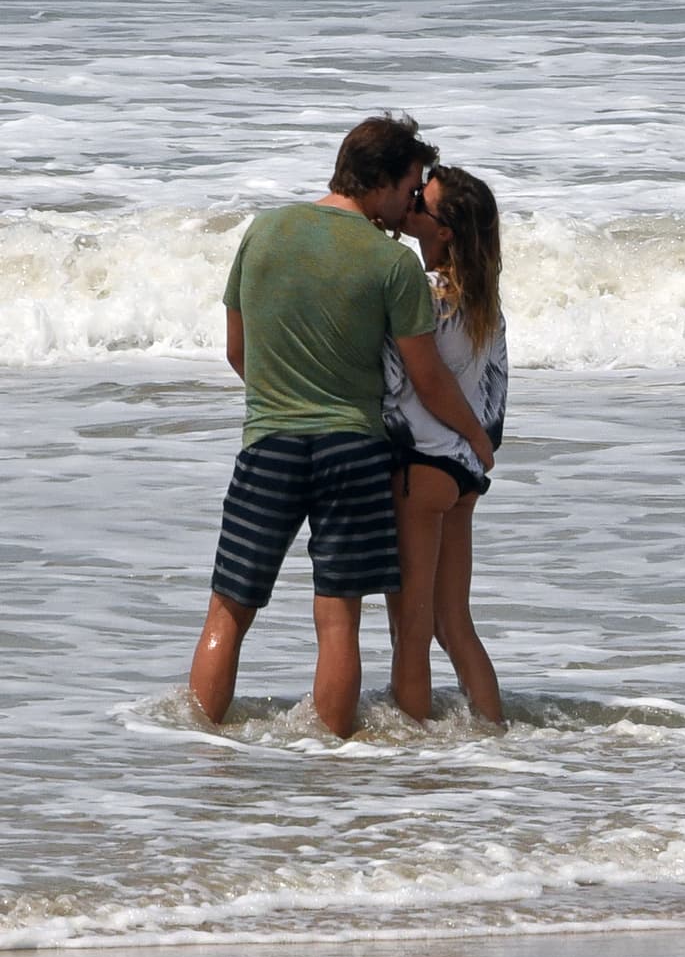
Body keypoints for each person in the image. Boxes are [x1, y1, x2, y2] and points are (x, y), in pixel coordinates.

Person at [188, 115, 494, 739]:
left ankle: (198, 761)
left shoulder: (264, 231)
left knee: (227, 610)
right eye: (409, 189)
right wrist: (480, 438)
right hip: (353, 451)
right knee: (338, 621)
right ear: (380, 181)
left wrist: (282, 397)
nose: (410, 204)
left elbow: (237, 350)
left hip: (269, 440)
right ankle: (334, 772)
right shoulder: (391, 264)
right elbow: (427, 377)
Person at [383, 165, 508, 725]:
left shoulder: (426, 297)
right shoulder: (482, 302)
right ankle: (493, 731)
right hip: (462, 475)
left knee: (411, 628)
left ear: (446, 231)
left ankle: (411, 751)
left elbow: (403, 381)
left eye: (422, 207)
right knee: (453, 623)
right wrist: (482, 448)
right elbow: (496, 387)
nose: (411, 207)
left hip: (421, 466)